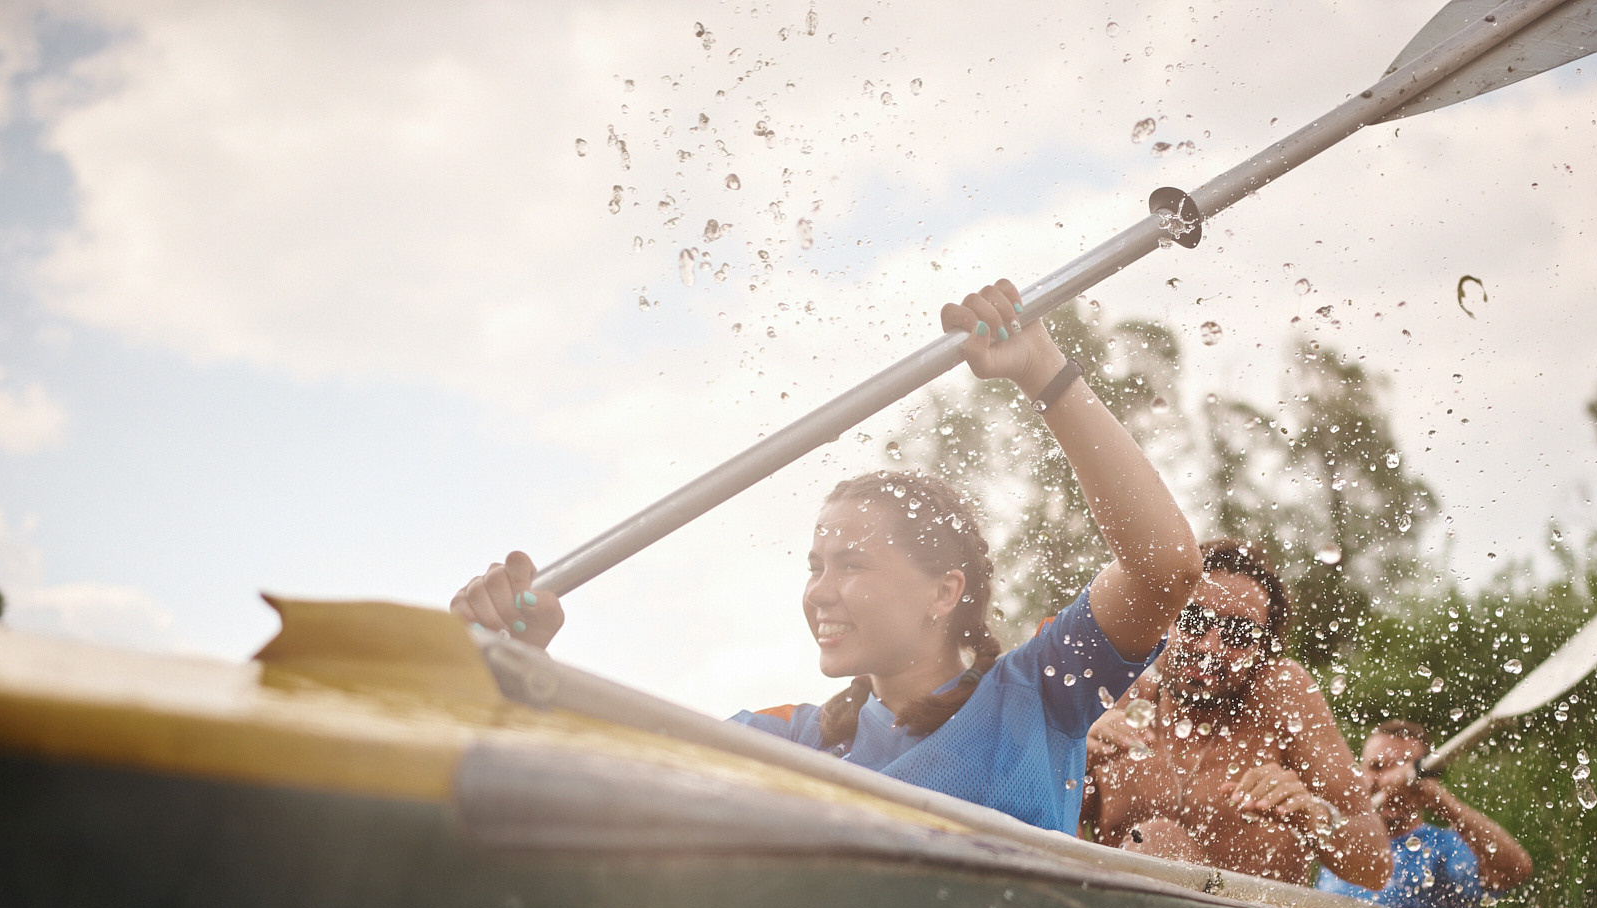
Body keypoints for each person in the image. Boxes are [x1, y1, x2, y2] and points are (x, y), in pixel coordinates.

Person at [451, 279, 1202, 835]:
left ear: (945, 591)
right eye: (815, 565)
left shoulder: (1039, 692)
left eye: (851, 564)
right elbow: (608, 777)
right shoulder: (794, 740)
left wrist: (1043, 368)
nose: (821, 591)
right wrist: (521, 670)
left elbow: (1166, 566)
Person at [1084, 539, 1391, 891]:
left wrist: (1313, 815)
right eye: (1193, 620)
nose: (1209, 647)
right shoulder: (1119, 699)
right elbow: (1040, 839)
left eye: (1239, 634)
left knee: (1156, 838)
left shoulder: (1280, 697)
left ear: (1263, 649)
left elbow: (1375, 866)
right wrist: (1070, 762)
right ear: (1161, 621)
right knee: (1152, 838)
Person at [1316, 718, 1534, 908]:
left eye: (1400, 769)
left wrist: (1435, 797)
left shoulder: (1442, 848)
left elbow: (1514, 870)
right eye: (1377, 767)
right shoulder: (1339, 839)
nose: (1389, 780)